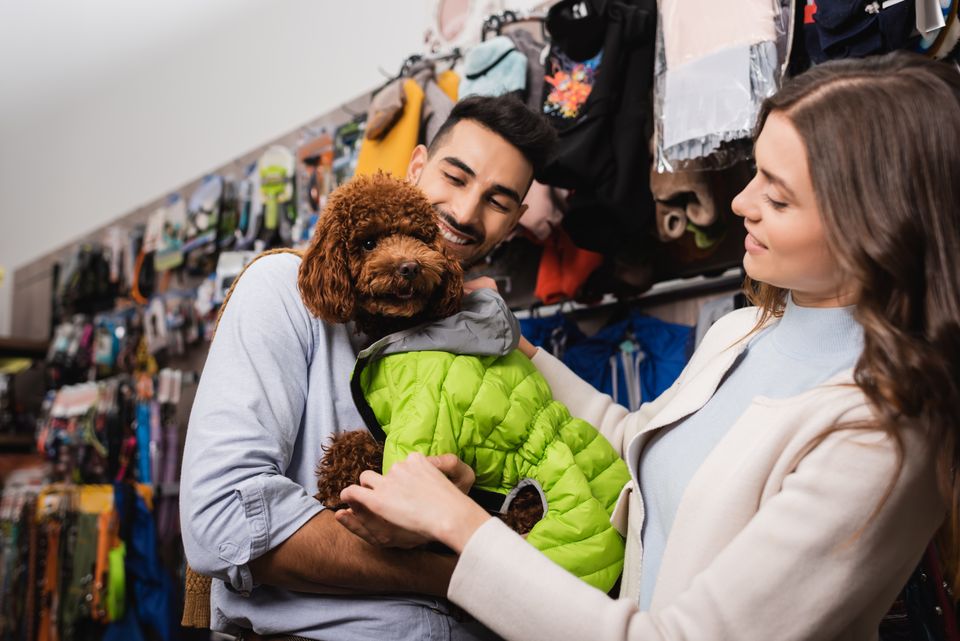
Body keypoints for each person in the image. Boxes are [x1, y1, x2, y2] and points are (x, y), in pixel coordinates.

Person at [337, 52, 960, 641]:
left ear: (874, 224)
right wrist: (516, 348)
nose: (740, 203)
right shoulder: (743, 329)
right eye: (753, 178)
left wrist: (460, 525)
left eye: (777, 194)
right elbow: (640, 446)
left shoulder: (880, 434)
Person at [179, 95, 556, 641]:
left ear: (516, 221)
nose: (466, 213)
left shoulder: (490, 343)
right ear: (418, 166)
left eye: (497, 201)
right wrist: (461, 573)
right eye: (455, 177)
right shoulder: (285, 290)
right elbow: (222, 520)